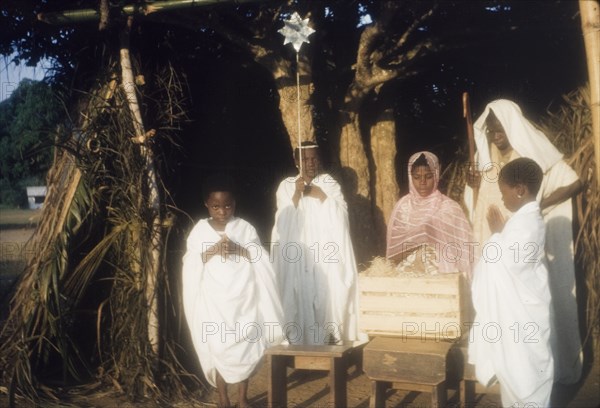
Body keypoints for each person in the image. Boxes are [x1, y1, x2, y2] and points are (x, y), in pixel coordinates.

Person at [464, 99, 583, 384]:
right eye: (491, 130)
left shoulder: (531, 150)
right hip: (490, 242)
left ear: (512, 125)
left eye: (500, 128)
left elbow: (574, 181)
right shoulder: (486, 156)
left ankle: (534, 373)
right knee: (494, 302)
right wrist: (473, 184)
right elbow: (477, 201)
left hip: (522, 247)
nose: (495, 135)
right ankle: (500, 368)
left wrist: (537, 207)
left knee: (525, 308)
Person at [182, 175, 284, 408]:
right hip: (215, 303)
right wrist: (212, 251)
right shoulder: (199, 230)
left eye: (227, 205)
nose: (222, 211)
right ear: (207, 205)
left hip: (243, 301)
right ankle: (223, 398)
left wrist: (239, 249)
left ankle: (242, 398)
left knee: (245, 348)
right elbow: (190, 262)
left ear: (234, 204)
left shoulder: (244, 228)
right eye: (216, 206)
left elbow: (261, 258)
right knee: (219, 348)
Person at [469, 157, 554, 407]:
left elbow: (505, 264)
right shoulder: (523, 222)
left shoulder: (527, 224)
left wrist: (496, 236)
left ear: (519, 190)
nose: (502, 199)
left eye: (503, 192)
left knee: (527, 378)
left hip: (523, 318)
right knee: (517, 379)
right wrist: (501, 236)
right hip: (518, 315)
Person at [271, 141, 364, 345]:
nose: (311, 163)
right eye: (305, 159)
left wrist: (319, 195)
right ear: (296, 161)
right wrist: (297, 193)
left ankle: (331, 337)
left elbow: (342, 216)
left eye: (314, 158)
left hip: (326, 252)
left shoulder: (329, 183)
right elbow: (282, 221)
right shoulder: (286, 186)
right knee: (298, 293)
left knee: (330, 291)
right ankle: (299, 341)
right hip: (300, 254)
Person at [386, 151, 474, 279]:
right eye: (417, 177)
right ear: (410, 177)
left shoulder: (449, 207)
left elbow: (462, 246)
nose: (422, 182)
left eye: (428, 176)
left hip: (441, 272)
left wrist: (429, 238)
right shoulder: (403, 206)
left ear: (436, 176)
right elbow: (394, 250)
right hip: (406, 274)